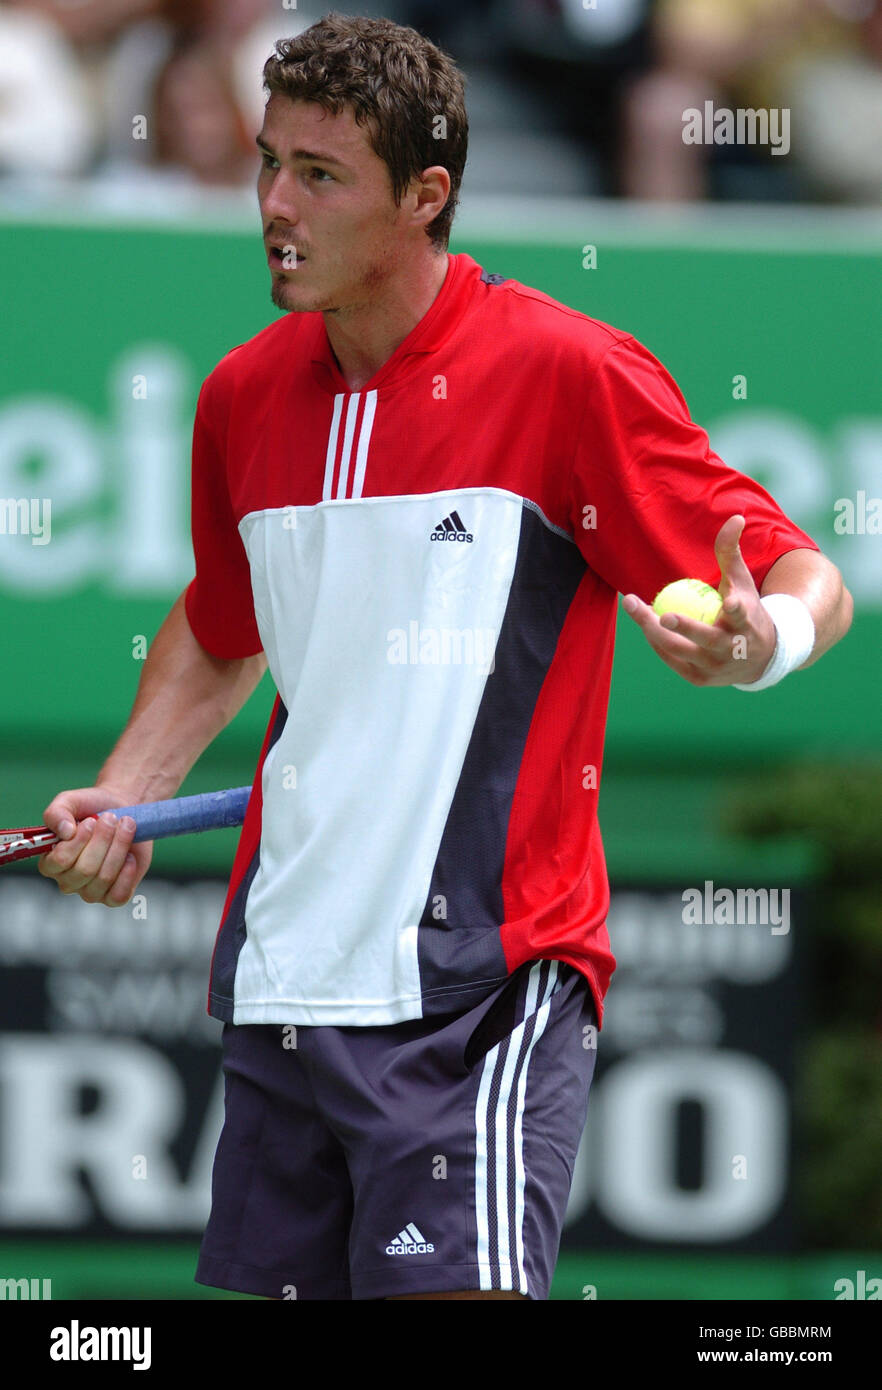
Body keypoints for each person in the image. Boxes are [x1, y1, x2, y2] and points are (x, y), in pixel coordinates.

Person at [37, 13, 853, 1301]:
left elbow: (806, 576)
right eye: (268, 164)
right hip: (285, 990)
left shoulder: (566, 373)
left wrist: (766, 644)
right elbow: (222, 620)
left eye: (321, 176)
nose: (275, 207)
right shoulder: (242, 396)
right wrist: (126, 793)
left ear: (427, 197)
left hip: (481, 993)